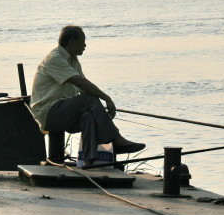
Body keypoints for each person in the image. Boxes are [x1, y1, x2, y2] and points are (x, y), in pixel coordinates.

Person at [30, 25, 145, 169]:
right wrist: (106, 98)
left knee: (89, 114)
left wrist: (100, 112)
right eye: (82, 41)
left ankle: (89, 161)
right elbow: (80, 82)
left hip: (63, 112)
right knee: (90, 100)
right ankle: (116, 139)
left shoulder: (73, 60)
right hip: (48, 113)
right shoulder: (55, 58)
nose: (85, 45)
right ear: (72, 43)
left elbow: (83, 89)